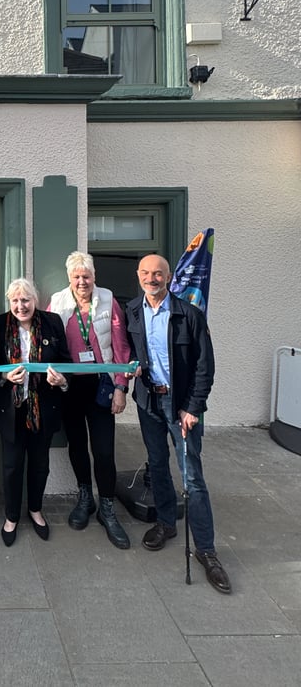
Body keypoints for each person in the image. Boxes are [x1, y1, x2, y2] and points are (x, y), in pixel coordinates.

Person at [126, 253, 231, 594]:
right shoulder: (131, 311)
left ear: (168, 277)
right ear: (138, 276)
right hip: (148, 401)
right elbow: (128, 350)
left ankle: (206, 549)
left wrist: (193, 407)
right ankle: (166, 523)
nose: (152, 279)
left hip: (181, 404)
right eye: (146, 273)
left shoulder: (189, 315)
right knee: (157, 465)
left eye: (158, 273)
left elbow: (205, 367)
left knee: (192, 477)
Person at [48, 251, 132, 549]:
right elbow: (48, 342)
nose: (82, 282)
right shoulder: (58, 302)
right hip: (70, 386)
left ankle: (107, 507)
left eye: (86, 276)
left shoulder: (108, 300)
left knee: (104, 451)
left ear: (94, 277)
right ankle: (86, 498)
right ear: (69, 278)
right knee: (77, 446)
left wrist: (121, 386)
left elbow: (121, 347)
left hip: (102, 384)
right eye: (76, 277)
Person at [0, 278, 71, 546]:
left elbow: (65, 362)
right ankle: (11, 517)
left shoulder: (52, 322)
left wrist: (61, 381)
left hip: (44, 408)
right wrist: (4, 375)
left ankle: (35, 510)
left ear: (35, 300)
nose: (20, 305)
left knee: (40, 465)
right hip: (11, 409)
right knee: (12, 466)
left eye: (25, 300)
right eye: (15, 300)